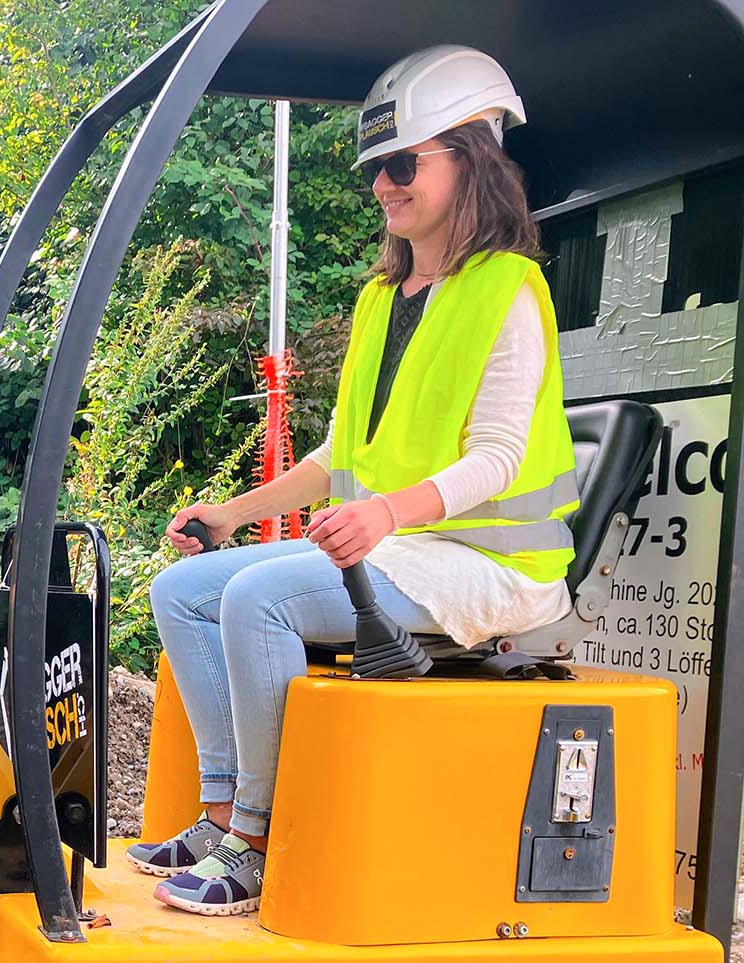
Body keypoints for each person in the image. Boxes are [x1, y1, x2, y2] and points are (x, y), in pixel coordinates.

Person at [124, 45, 578, 916]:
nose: (383, 184)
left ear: (472, 159)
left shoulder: (508, 291)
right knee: (184, 589)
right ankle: (219, 814)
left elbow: (500, 458)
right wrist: (232, 513)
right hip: (399, 545)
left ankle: (255, 843)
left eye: (403, 163)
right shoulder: (385, 297)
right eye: (378, 167)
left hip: (487, 567)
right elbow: (339, 454)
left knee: (262, 598)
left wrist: (382, 515)